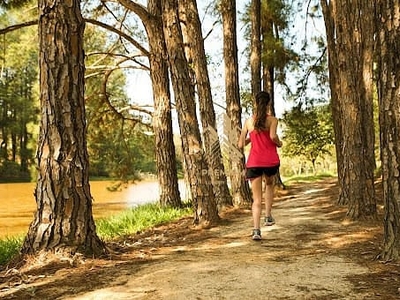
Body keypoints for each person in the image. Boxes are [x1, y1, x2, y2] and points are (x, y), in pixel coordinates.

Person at [238, 91, 282, 240]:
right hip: (270, 161)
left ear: (256, 103)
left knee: (256, 199)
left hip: (254, 162)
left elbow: (240, 144)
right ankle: (268, 216)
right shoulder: (273, 120)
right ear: (268, 103)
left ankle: (256, 230)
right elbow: (272, 136)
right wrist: (279, 143)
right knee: (269, 185)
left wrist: (252, 137)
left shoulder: (248, 122)